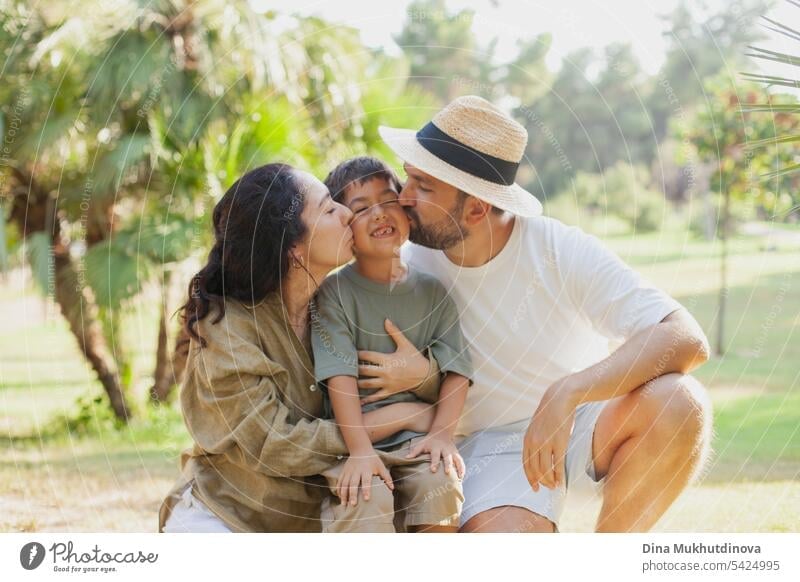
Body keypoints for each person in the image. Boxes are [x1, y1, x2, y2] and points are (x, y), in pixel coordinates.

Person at [374, 95, 713, 533]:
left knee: (681, 401)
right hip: (489, 445)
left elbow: (685, 336)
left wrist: (569, 392)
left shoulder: (558, 249)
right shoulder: (404, 265)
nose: (403, 198)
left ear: (476, 208)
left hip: (582, 421)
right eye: (408, 179)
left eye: (423, 186)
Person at [158, 163, 445, 533]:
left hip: (318, 517)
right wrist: (399, 416)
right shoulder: (230, 331)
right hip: (230, 517)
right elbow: (276, 443)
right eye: (329, 209)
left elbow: (420, 373)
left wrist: (422, 377)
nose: (346, 214)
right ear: (293, 249)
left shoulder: (346, 302)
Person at [311, 156, 473, 532]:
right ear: (345, 225)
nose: (379, 214)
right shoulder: (334, 294)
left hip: (418, 438)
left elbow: (457, 370)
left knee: (441, 482)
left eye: (388, 201)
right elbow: (339, 377)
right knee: (366, 494)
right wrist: (361, 451)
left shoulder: (433, 292)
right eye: (362, 208)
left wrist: (442, 435)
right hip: (356, 436)